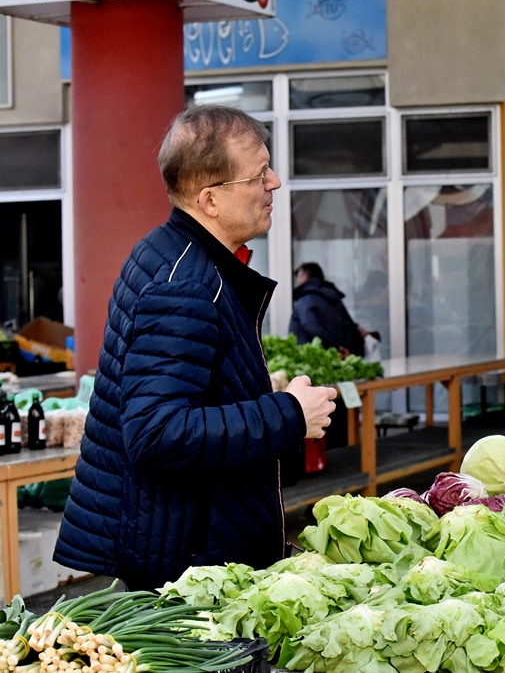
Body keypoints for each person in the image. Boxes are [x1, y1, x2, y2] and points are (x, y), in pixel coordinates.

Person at [53, 105, 338, 590]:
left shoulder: (173, 253)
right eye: (260, 174)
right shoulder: (183, 283)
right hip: (188, 568)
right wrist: (289, 414)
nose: (275, 184)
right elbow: (156, 431)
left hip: (184, 545)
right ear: (210, 200)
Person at [290, 262, 367, 357]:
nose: (296, 280)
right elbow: (348, 325)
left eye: (297, 275)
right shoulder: (333, 296)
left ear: (304, 275)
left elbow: (311, 326)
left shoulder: (307, 298)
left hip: (315, 358)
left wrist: (334, 347)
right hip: (340, 356)